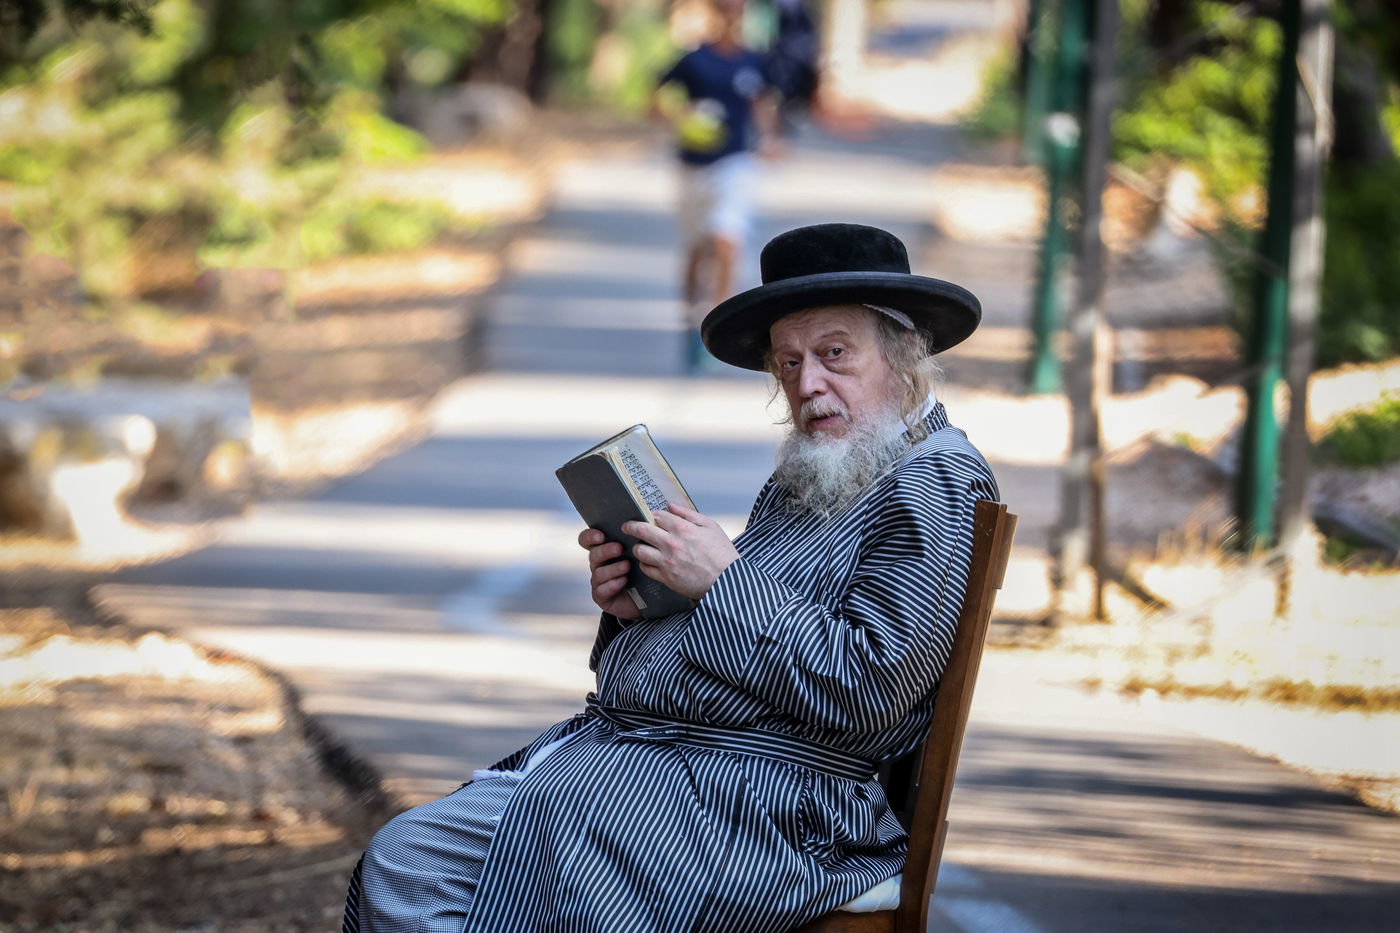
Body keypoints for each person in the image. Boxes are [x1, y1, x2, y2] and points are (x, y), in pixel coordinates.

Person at [342, 222, 999, 933]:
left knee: (572, 823)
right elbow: (729, 625)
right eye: (788, 362)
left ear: (902, 355)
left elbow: (872, 686)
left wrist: (721, 580)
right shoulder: (817, 468)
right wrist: (640, 604)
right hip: (661, 766)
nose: (808, 383)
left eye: (834, 353)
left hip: (773, 809)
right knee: (404, 861)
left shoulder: (935, 482)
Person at [652, 0, 781, 372]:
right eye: (724, 8)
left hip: (735, 162)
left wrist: (771, 138)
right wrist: (680, 119)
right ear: (713, 13)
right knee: (696, 248)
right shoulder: (693, 59)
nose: (731, 14)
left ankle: (716, 322)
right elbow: (655, 100)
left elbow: (762, 102)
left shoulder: (754, 60)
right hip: (693, 166)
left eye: (737, 9)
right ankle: (691, 320)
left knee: (727, 237)